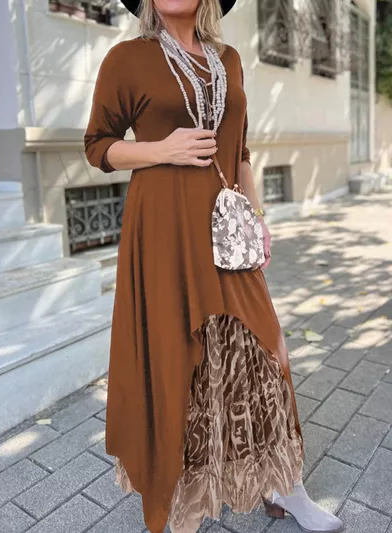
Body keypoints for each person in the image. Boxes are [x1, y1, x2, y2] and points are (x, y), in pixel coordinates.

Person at [84, 1, 344, 532]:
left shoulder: (228, 60)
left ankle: (285, 485)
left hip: (227, 231)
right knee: (183, 362)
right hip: (164, 234)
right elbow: (98, 147)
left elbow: (239, 150)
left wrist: (257, 217)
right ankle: (184, 501)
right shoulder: (127, 58)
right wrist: (162, 149)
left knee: (266, 351)